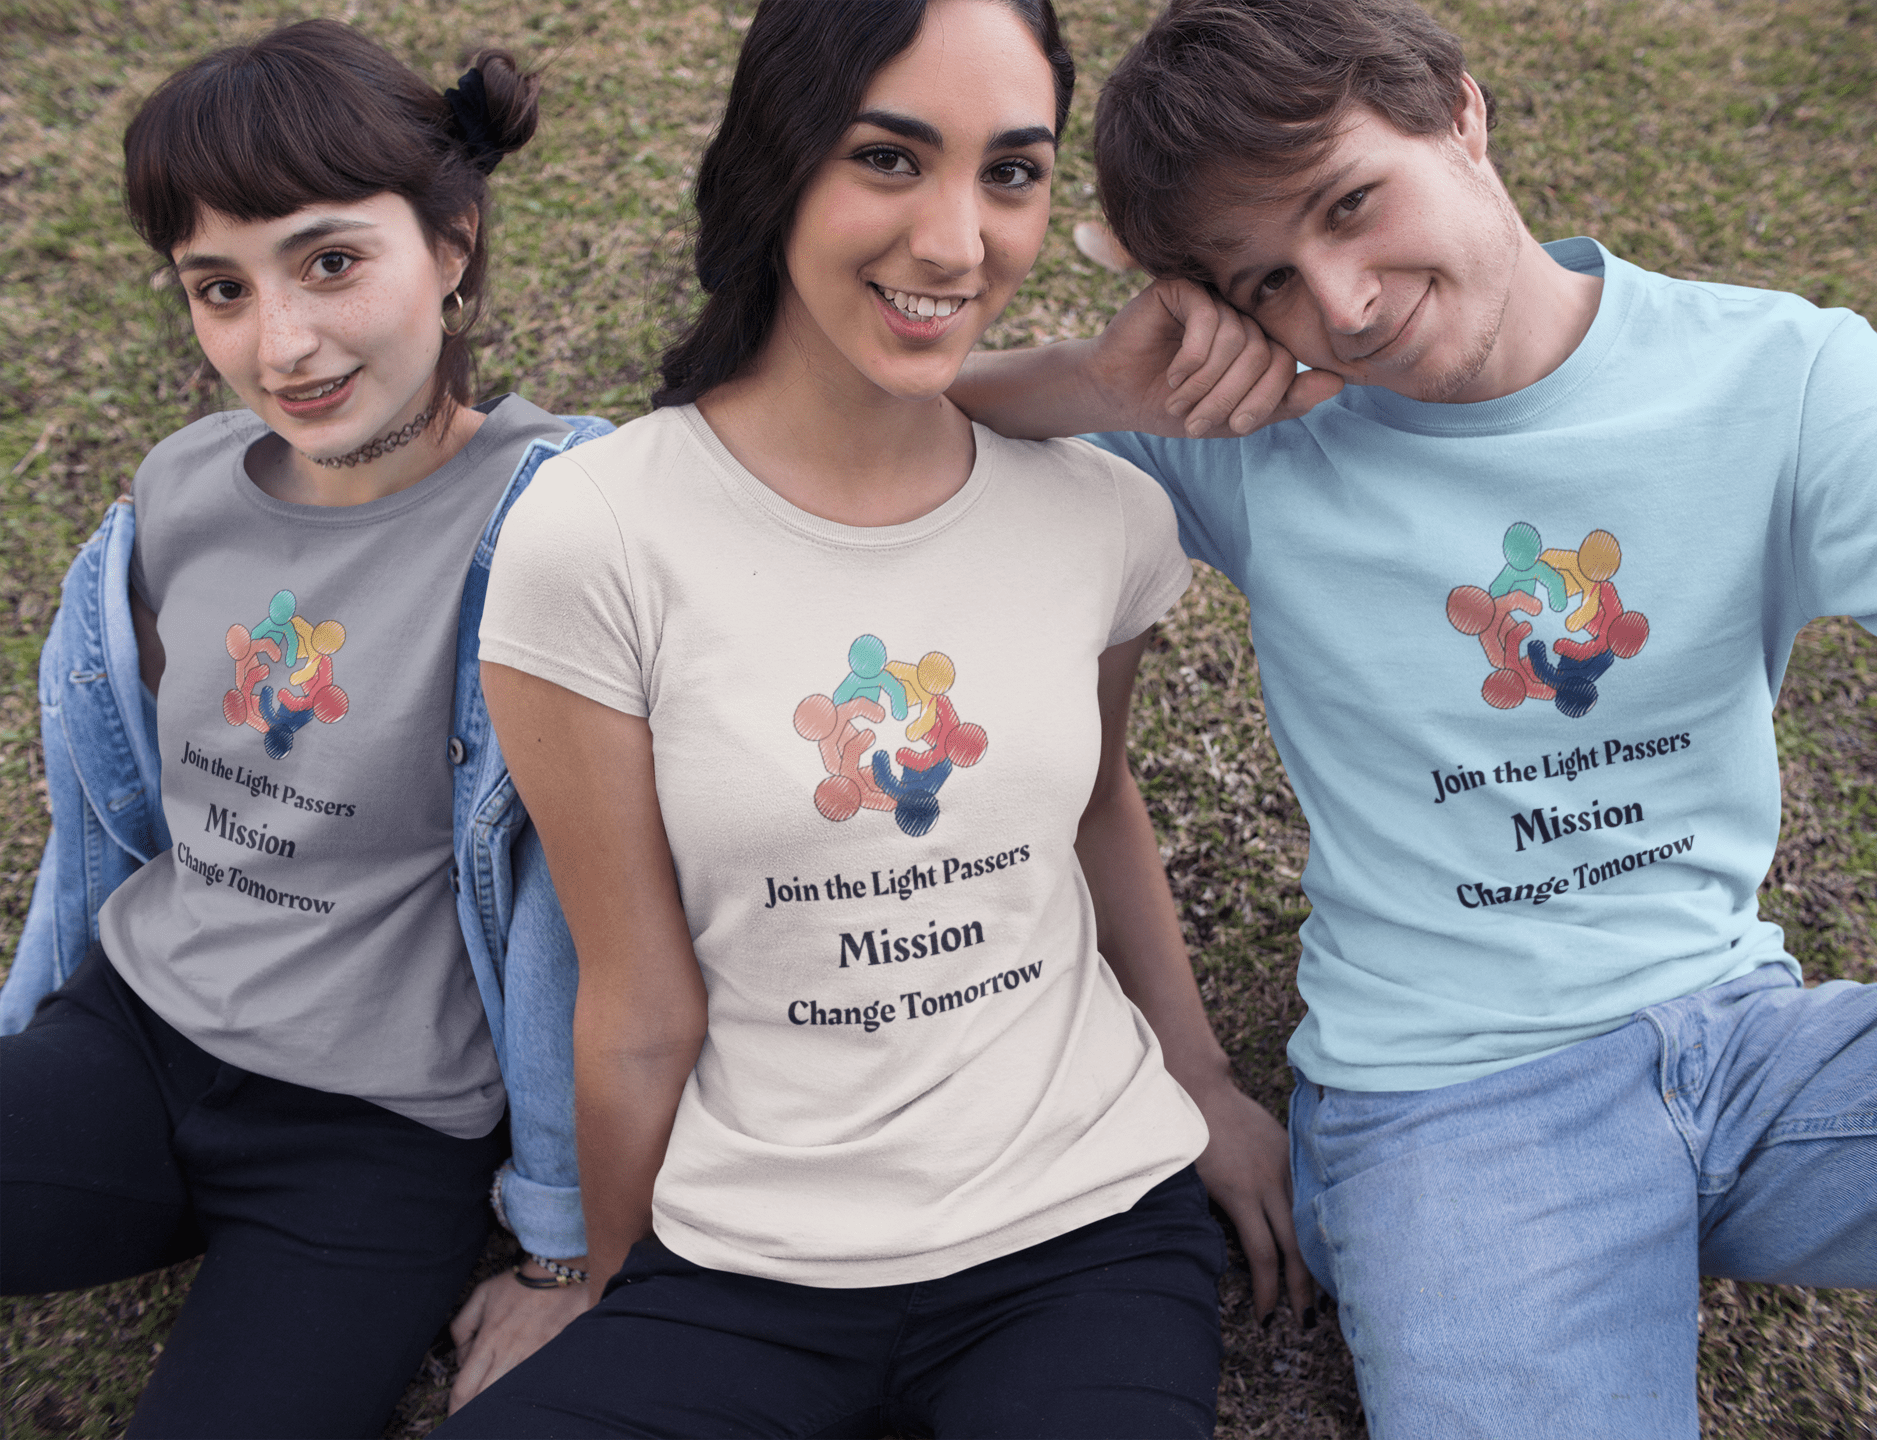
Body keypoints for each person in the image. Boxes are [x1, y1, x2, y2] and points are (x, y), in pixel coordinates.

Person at [948, 0, 1877, 1434]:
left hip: (1751, 1045)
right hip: (1454, 1105)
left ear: (1458, 112)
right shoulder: (1256, 448)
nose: (1340, 302)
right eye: (1269, 279)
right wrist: (1101, 380)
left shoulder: (1780, 379)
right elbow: (880, 442)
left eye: (1352, 203)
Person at [438, 1, 1304, 1434]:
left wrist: (1200, 1076)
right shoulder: (594, 534)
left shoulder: (1101, 514)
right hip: (741, 1265)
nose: (959, 242)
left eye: (1012, 173)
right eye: (890, 159)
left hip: (1082, 1233)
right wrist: (606, 1281)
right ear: (780, 161)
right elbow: (637, 1000)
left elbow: (1094, 807)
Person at [0, 21, 612, 1437]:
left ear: (452, 241)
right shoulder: (182, 489)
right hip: (136, 1042)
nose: (281, 343)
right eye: (221, 287)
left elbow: (599, 917)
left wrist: (564, 1243)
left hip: (376, 1142)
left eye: (331, 261)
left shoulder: (570, 511)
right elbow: (111, 814)